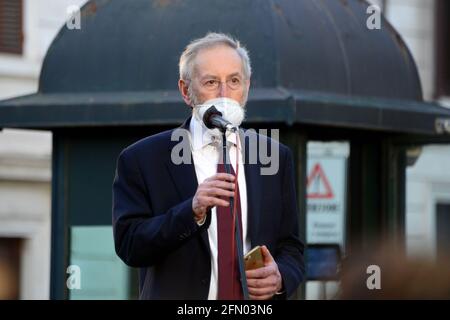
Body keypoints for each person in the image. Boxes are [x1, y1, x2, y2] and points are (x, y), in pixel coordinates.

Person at [112, 32, 304, 300]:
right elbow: (130, 245)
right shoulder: (143, 159)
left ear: (247, 87)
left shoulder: (274, 155)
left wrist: (280, 276)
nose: (224, 94)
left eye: (234, 81)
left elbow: (292, 247)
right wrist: (192, 211)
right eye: (211, 82)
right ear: (185, 91)